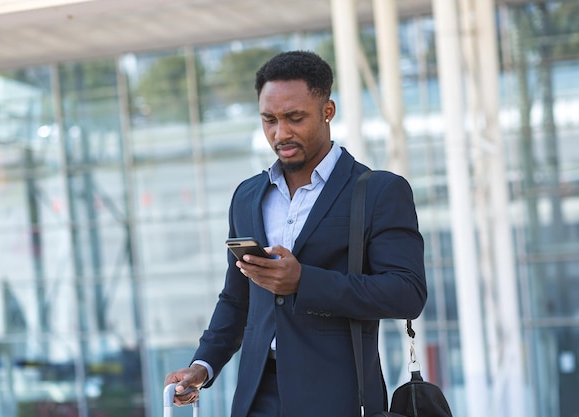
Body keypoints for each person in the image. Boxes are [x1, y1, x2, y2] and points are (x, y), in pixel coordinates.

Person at [164, 50, 426, 417]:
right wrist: (202, 366)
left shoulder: (379, 191)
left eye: (295, 118)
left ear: (327, 111)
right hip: (256, 398)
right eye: (268, 119)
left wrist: (304, 281)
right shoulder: (247, 196)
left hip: (339, 398)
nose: (280, 132)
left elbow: (407, 293)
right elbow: (237, 300)